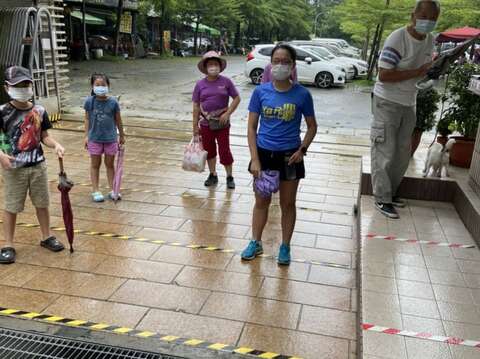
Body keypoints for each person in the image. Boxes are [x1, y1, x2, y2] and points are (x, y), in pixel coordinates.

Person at [241, 44, 317, 265]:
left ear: (293, 65)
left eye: (285, 61)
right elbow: (251, 128)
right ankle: (255, 241)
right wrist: (255, 159)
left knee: (287, 204)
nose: (280, 65)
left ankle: (285, 246)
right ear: (270, 64)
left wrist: (302, 149)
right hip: (264, 155)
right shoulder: (260, 91)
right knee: (261, 202)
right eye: (276, 60)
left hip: (289, 158)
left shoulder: (302, 94)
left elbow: (312, 126)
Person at [371, 0, 440, 219]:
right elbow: (384, 74)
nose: (428, 22)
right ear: (413, 15)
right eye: (425, 16)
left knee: (402, 152)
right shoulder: (397, 38)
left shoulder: (430, 40)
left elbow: (424, 71)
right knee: (384, 150)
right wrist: (417, 71)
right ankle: (382, 198)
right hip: (387, 101)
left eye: (433, 18)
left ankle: (390, 194)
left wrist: (432, 73)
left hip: (410, 101)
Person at [0, 66, 66, 264]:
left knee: (42, 203)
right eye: (17, 85)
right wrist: (1, 155)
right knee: (12, 206)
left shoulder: (39, 110)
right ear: (7, 87)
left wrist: (55, 145)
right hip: (13, 168)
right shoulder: (2, 112)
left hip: (38, 166)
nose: (23, 88)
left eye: (26, 84)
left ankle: (46, 236)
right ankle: (8, 244)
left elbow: (44, 136)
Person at [192, 51, 241, 189]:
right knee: (209, 150)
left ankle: (229, 176)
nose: (213, 67)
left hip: (223, 124)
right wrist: (195, 126)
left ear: (220, 66)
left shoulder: (226, 82)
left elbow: (237, 98)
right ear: (206, 67)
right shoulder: (200, 85)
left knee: (224, 150)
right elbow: (196, 106)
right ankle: (213, 174)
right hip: (206, 124)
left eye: (215, 64)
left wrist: (228, 113)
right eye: (210, 64)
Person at [84, 73, 125, 202]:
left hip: (111, 139)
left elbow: (118, 119)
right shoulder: (89, 101)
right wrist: (86, 136)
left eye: (103, 85)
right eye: (97, 85)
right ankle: (95, 190)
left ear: (108, 86)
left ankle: (114, 189)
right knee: (95, 164)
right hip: (94, 138)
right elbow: (86, 118)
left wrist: (122, 135)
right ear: (92, 86)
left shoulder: (113, 102)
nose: (100, 87)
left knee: (110, 165)